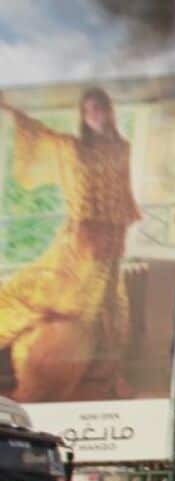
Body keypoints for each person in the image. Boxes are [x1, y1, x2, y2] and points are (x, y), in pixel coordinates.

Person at [0, 88, 141, 402]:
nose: (95, 115)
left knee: (110, 311)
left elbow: (121, 196)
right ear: (83, 116)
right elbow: (43, 136)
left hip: (111, 246)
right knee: (49, 299)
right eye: (88, 111)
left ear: (109, 111)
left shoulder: (123, 148)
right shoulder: (73, 148)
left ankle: (108, 378)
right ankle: (44, 372)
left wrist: (117, 238)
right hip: (81, 242)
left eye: (99, 108)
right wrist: (12, 111)